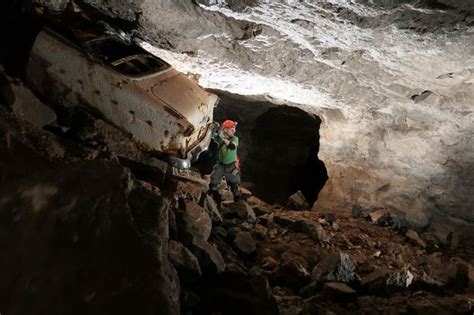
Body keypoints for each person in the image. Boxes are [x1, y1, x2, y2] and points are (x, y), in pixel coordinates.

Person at [209, 119, 241, 204]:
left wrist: (222, 137)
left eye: (234, 129)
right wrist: (213, 128)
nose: (234, 131)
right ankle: (216, 198)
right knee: (214, 182)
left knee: (234, 184)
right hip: (220, 165)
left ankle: (237, 200)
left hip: (231, 166)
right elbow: (212, 136)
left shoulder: (235, 138)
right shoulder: (220, 138)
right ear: (225, 130)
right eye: (232, 129)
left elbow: (232, 147)